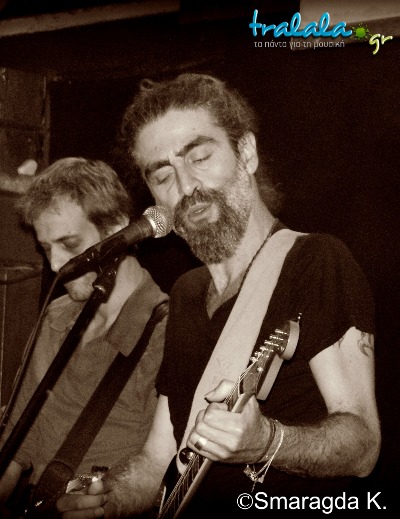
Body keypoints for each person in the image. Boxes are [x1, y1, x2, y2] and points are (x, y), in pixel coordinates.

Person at [56, 73, 381, 518]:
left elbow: (363, 446)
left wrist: (266, 441)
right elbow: (158, 459)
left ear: (246, 153)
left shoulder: (315, 261)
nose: (185, 186)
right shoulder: (186, 294)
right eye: (163, 175)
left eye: (200, 157)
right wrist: (106, 499)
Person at [0, 158, 169, 517]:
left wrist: (101, 501)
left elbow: (159, 467)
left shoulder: (165, 335)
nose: (56, 264)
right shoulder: (57, 316)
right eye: (46, 248)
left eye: (69, 243)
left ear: (119, 230)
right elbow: (17, 440)